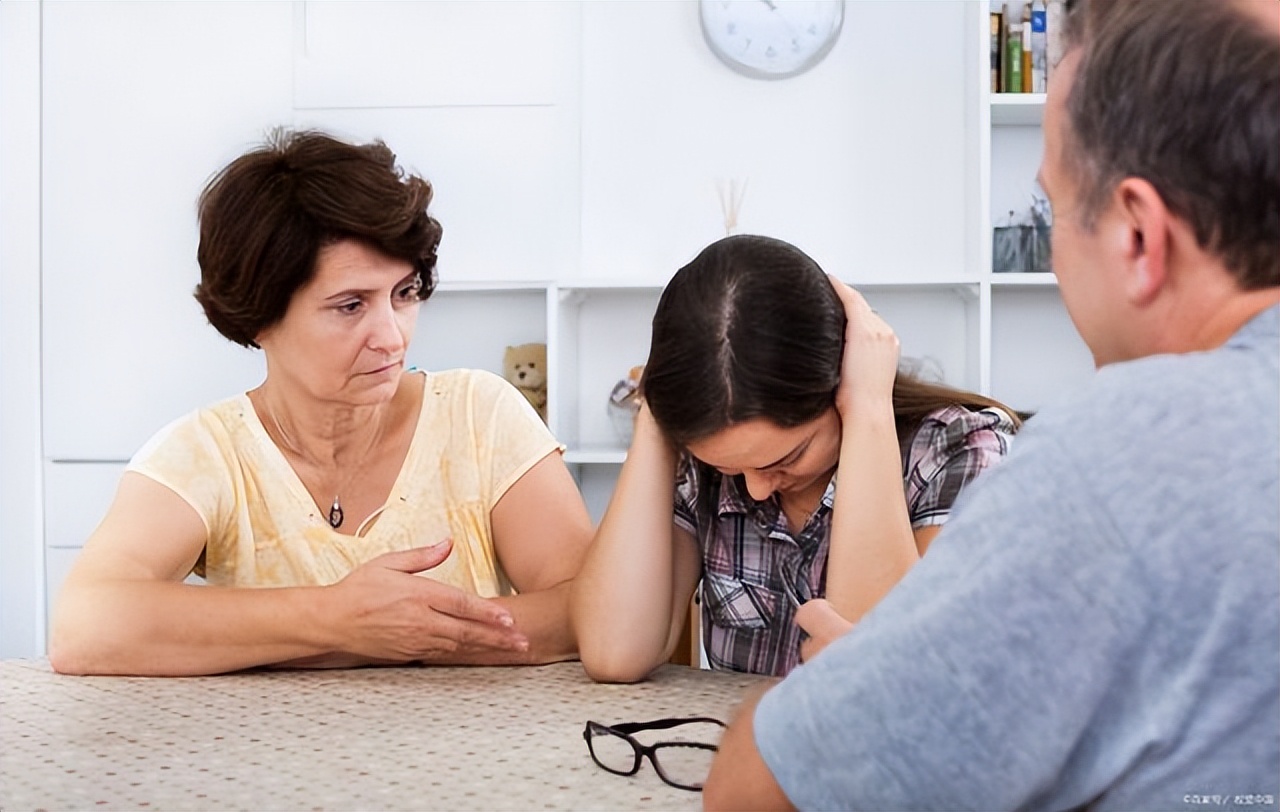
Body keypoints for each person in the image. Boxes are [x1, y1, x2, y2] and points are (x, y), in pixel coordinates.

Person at [704, 0, 1280, 808]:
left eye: (1051, 210)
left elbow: (756, 789)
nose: (1049, 254)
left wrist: (857, 690)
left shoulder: (1112, 457)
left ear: (1139, 238)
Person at [49, 130, 594, 676]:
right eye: (351, 305)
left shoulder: (480, 414)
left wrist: (404, 636)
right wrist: (340, 618)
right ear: (259, 317)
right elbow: (85, 626)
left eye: (403, 294)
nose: (392, 337)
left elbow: (590, 607)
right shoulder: (208, 453)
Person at [572, 233, 1023, 680]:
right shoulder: (701, 463)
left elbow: (885, 684)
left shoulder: (958, 452)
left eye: (785, 458)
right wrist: (658, 412)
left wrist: (868, 409)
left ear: (842, 378)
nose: (755, 487)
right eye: (728, 467)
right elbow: (615, 652)